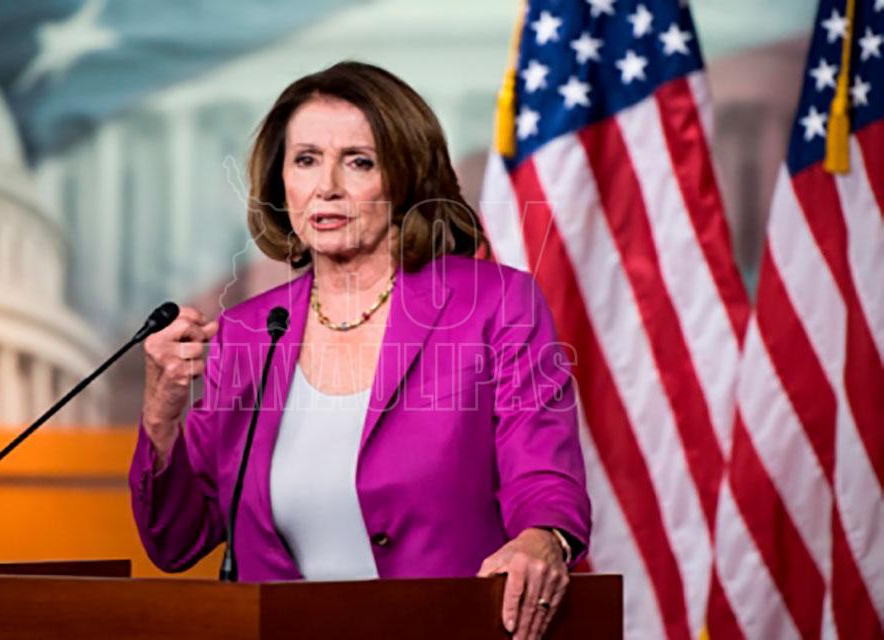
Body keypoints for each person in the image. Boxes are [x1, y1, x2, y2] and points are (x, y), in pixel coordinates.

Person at [130, 61, 591, 640]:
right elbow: (175, 540)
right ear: (280, 182)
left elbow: (543, 471)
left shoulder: (494, 303)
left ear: (405, 176)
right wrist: (161, 412)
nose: (326, 186)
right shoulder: (248, 332)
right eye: (305, 160)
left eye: (358, 162)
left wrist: (542, 537)